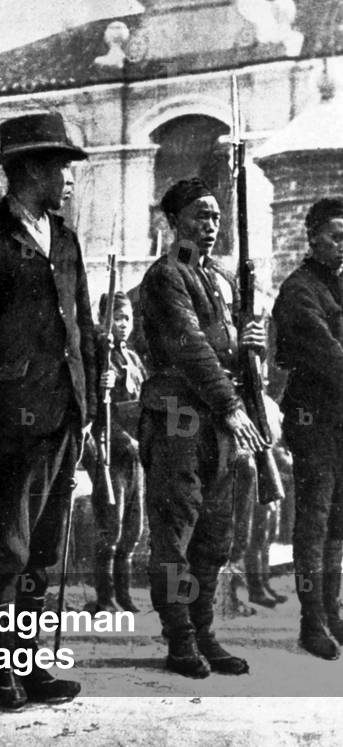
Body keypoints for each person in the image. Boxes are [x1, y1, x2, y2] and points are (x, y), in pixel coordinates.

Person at [0, 112, 93, 711]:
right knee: (5, 549)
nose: (67, 178)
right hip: (9, 422)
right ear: (31, 169)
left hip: (63, 418)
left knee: (43, 550)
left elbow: (80, 325)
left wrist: (91, 405)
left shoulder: (64, 239)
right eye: (59, 166)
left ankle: (31, 669)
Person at [138, 177, 266, 678]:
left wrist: (249, 339)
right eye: (198, 216)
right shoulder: (166, 277)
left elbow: (228, 350)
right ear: (173, 222)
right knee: (176, 533)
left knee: (214, 534)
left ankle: (204, 631)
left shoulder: (223, 279)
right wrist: (232, 405)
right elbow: (190, 348)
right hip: (177, 417)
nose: (209, 226)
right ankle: (180, 639)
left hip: (215, 420)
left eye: (215, 217)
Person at [272, 197, 343, 659]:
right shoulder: (300, 291)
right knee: (314, 523)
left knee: (338, 522)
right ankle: (310, 621)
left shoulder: (336, 285)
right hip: (313, 422)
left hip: (340, 423)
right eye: (336, 237)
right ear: (311, 237)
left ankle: (333, 610)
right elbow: (330, 355)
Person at [87, 290, 145, 614]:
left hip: (136, 452)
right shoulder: (99, 357)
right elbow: (97, 411)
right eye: (115, 319)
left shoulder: (134, 359)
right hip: (110, 449)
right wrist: (101, 383)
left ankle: (123, 595)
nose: (122, 325)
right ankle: (105, 598)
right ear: (102, 321)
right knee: (112, 526)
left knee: (133, 530)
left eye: (126, 318)